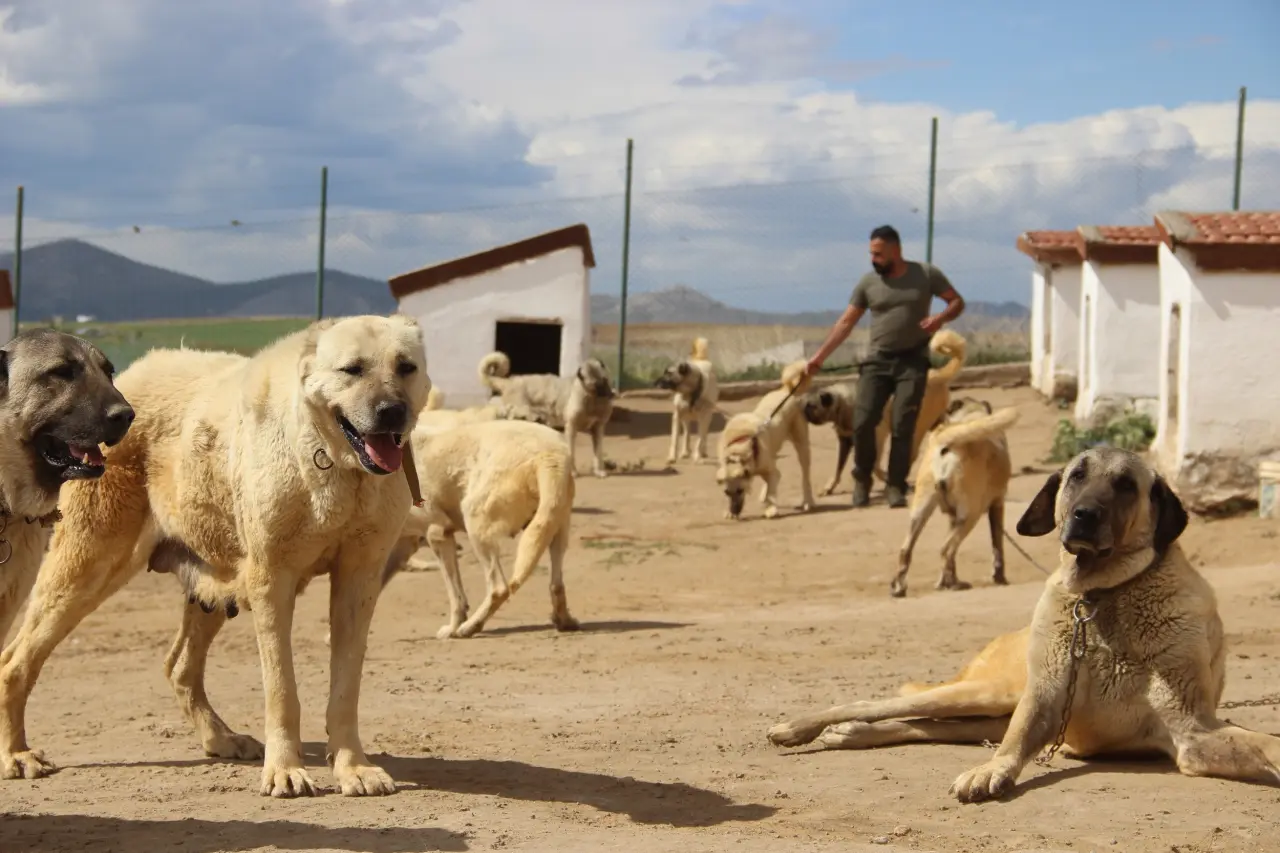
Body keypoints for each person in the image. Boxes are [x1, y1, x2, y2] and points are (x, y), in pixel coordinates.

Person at [805, 224, 966, 509]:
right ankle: (862, 479)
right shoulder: (868, 283)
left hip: (912, 362)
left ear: (896, 250)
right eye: (871, 253)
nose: (873, 259)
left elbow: (956, 302)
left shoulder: (926, 275)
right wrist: (819, 357)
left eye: (879, 254)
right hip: (877, 361)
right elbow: (846, 322)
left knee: (903, 424)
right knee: (863, 421)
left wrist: (940, 319)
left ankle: (895, 485)